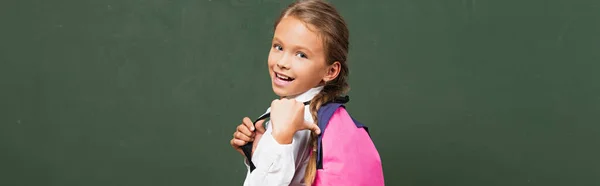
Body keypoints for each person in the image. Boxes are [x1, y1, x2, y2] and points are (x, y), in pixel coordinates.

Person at [230, 0, 355, 185]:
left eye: (301, 55)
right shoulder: (326, 111)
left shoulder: (295, 116)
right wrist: (260, 151)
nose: (282, 62)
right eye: (278, 47)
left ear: (330, 71)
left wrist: (279, 139)